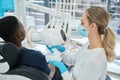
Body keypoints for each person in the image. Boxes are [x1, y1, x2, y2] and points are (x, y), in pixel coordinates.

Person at [0, 16, 63, 80]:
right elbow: (52, 75)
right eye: (22, 27)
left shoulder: (4, 59)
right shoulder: (35, 56)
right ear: (20, 36)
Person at [62, 6, 116, 80]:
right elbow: (73, 59)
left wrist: (63, 71)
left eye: (82, 23)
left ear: (93, 26)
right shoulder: (89, 44)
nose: (80, 25)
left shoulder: (94, 61)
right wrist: (63, 51)